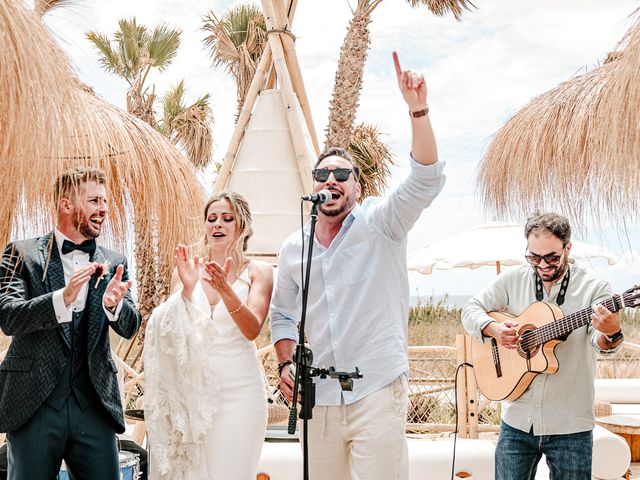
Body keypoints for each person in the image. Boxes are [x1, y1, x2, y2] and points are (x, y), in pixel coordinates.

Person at [269, 51, 445, 480]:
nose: (331, 179)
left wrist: (417, 110)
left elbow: (425, 179)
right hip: (319, 397)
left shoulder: (383, 223)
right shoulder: (294, 247)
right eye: (322, 172)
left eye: (341, 174)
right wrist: (285, 363)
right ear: (312, 184)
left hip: (377, 389)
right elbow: (282, 315)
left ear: (357, 186)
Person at [0, 167, 141, 480]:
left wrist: (114, 304)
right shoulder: (21, 254)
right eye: (94, 201)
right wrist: (61, 298)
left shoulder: (115, 262)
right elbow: (8, 316)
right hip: (33, 405)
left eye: (104, 201)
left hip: (94, 407)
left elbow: (131, 327)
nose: (103, 208)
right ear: (66, 205)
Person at [462, 212, 624, 480]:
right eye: (534, 258)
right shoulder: (513, 279)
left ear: (567, 248)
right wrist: (494, 329)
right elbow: (471, 308)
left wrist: (612, 333)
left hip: (571, 424)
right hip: (517, 419)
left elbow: (600, 343)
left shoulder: (595, 289)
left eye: (551, 257)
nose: (542, 264)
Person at [144, 192, 273, 480]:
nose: (218, 225)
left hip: (241, 393)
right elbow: (168, 327)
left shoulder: (259, 272)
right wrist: (188, 291)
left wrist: (226, 290)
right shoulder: (187, 270)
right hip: (194, 394)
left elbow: (252, 329)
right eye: (211, 219)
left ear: (242, 227)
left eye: (227, 219)